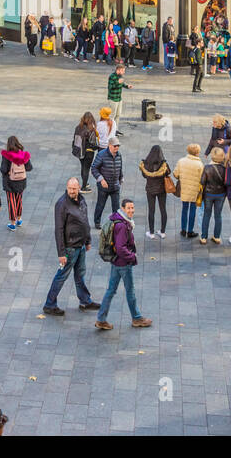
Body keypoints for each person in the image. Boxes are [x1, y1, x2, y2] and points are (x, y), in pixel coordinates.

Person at [42, 178, 99, 316]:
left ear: (79, 187)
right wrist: (61, 253)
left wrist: (88, 240)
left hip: (81, 245)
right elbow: (59, 229)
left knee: (80, 275)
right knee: (61, 276)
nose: (72, 191)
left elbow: (85, 221)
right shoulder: (61, 204)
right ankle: (49, 304)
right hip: (70, 248)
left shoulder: (82, 199)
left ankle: (85, 301)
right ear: (67, 188)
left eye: (74, 189)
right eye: (70, 189)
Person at [94, 198, 152, 330]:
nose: (131, 210)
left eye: (132, 208)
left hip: (116, 262)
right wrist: (132, 256)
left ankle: (101, 319)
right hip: (123, 263)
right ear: (123, 209)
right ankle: (136, 318)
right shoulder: (122, 225)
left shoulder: (119, 220)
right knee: (130, 291)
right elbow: (120, 248)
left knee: (111, 290)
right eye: (129, 208)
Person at [139, 145, 171, 240]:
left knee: (151, 210)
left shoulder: (145, 164)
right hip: (161, 190)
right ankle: (162, 232)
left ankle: (151, 232)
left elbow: (145, 176)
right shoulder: (163, 164)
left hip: (150, 190)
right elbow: (168, 172)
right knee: (163, 209)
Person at [0, 136, 32, 231]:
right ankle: (19, 219)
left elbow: (4, 169)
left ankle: (13, 223)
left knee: (11, 201)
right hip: (21, 181)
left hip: (10, 182)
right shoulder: (23, 155)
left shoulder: (6, 156)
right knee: (19, 200)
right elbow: (29, 167)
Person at [90, 136, 123, 226]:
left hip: (115, 186)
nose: (116, 148)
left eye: (118, 146)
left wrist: (121, 179)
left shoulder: (119, 155)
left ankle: (116, 224)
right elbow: (94, 168)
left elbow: (120, 167)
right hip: (103, 187)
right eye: (114, 146)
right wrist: (101, 179)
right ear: (109, 145)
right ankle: (97, 222)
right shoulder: (101, 154)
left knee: (116, 207)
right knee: (100, 205)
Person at [198, 148, 228, 245]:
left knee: (207, 214)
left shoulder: (207, 168)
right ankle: (217, 237)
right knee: (218, 215)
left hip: (209, 194)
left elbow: (202, 182)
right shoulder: (225, 168)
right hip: (221, 194)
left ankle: (203, 237)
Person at [174, 142, 204, 238]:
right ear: (197, 153)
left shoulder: (181, 161)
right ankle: (190, 231)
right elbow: (202, 179)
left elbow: (175, 174)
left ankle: (183, 230)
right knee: (193, 210)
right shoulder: (199, 164)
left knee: (184, 209)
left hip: (184, 189)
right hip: (195, 191)